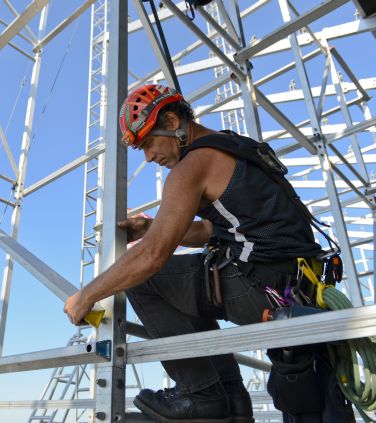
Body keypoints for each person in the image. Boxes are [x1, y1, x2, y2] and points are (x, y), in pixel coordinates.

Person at [63, 84, 326, 422]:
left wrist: (87, 295)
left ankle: (201, 393)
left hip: (259, 288)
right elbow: (213, 231)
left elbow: (151, 256)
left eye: (147, 143)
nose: (148, 157)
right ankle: (230, 398)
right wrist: (152, 225)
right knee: (191, 277)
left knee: (146, 280)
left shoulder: (191, 167)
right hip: (296, 287)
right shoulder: (234, 147)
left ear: (172, 121)